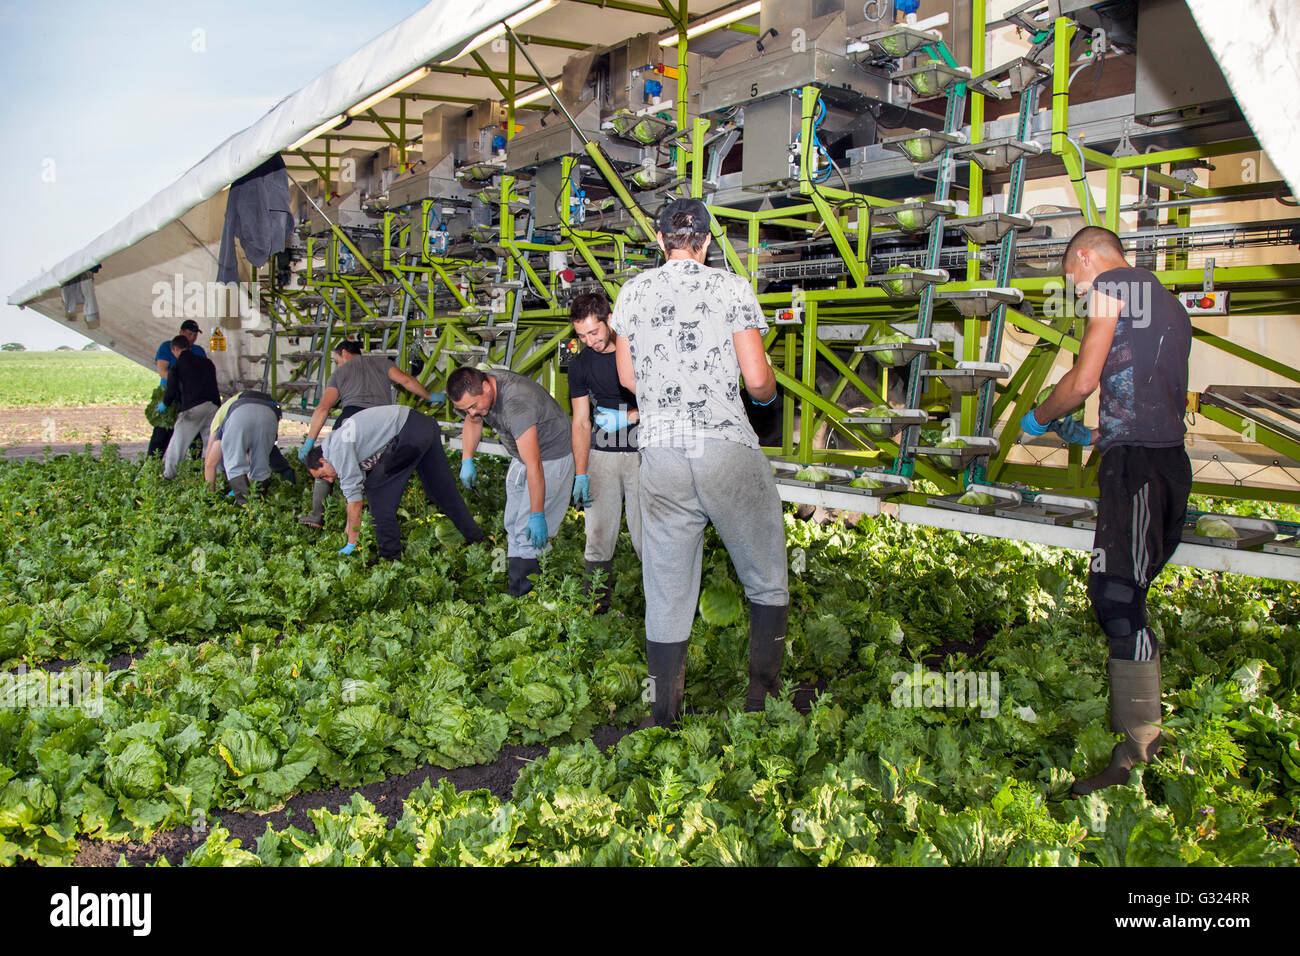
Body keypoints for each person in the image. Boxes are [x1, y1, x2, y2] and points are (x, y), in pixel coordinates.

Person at [1020, 225, 1192, 796]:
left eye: (1072, 280)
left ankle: (1135, 755)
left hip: (1138, 469)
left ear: (1086, 259)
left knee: (1118, 599)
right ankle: (1139, 748)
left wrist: (1043, 415)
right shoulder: (1166, 302)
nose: (1076, 291)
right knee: (1128, 593)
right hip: (1163, 464)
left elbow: (1086, 377)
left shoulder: (1112, 285)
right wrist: (1092, 430)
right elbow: (1141, 399)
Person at [610, 197, 787, 727]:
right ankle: (761, 702)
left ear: (659, 241)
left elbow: (626, 379)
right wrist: (764, 393)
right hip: (722, 444)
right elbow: (757, 381)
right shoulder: (729, 287)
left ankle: (661, 716)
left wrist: (668, 396)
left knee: (665, 587)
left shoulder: (633, 292)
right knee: (765, 576)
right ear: (707, 242)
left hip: (661, 451)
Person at [447, 366, 574, 596]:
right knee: (513, 524)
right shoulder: (479, 392)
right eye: (466, 408)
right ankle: (515, 593)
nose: (472, 413)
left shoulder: (516, 403)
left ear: (486, 387)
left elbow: (535, 465)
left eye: (474, 406)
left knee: (530, 532)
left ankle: (529, 601)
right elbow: (472, 420)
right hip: (522, 455)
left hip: (551, 456)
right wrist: (467, 459)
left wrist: (537, 515)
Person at [304, 405, 483, 561]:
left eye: (323, 475)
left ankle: (390, 555)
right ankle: (478, 540)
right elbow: (355, 494)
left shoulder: (336, 451)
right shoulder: (339, 442)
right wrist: (348, 528)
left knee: (376, 491)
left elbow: (355, 502)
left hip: (408, 432)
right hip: (424, 425)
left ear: (323, 460)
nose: (328, 480)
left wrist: (351, 543)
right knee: (440, 492)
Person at [297, 340, 445, 528]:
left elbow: (323, 408)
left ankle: (317, 516)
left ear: (344, 353)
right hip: (381, 423)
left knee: (327, 462)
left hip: (350, 420)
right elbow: (406, 381)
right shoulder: (381, 363)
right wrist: (429, 396)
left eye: (336, 360)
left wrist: (310, 441)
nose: (337, 364)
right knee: (378, 470)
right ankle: (376, 516)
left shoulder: (340, 373)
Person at [568, 292, 642, 613]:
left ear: (609, 320)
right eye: (581, 335)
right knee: (597, 535)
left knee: (646, 536)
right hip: (603, 454)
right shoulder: (580, 365)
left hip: (643, 453)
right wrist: (581, 472)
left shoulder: (638, 350)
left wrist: (628, 417)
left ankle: (661, 611)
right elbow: (582, 422)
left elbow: (665, 402)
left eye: (593, 332)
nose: (589, 341)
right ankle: (596, 611)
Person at [203, 390, 282, 503]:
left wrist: (210, 496)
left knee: (235, 465)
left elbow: (210, 463)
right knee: (261, 464)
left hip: (239, 415)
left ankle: (246, 506)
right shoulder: (231, 404)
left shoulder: (217, 423)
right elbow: (251, 458)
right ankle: (259, 504)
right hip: (269, 414)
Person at [161, 335, 220, 479]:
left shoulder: (178, 365)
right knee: (212, 442)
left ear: (175, 349)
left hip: (193, 408)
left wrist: (165, 403)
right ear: (189, 347)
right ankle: (218, 475)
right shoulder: (206, 362)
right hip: (213, 406)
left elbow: (171, 389)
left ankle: (169, 475)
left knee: (178, 442)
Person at [148, 319, 208, 458]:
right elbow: (162, 371)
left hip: (191, 400)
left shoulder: (198, 351)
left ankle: (195, 470)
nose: (192, 338)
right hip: (171, 397)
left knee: (194, 437)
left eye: (195, 335)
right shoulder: (167, 346)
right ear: (181, 332)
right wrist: (181, 383)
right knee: (161, 435)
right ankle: (151, 466)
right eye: (189, 334)